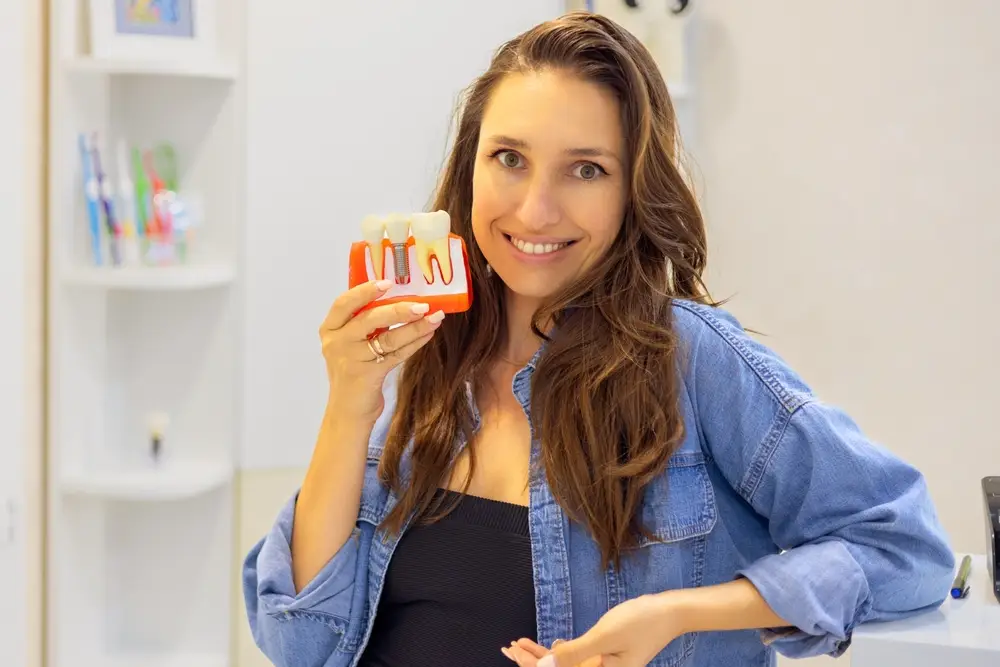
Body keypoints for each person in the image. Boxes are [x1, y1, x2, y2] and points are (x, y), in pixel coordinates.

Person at [242, 11, 955, 667]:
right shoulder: (430, 358)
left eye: (586, 169)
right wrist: (349, 402)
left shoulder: (692, 360)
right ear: (470, 167)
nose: (535, 208)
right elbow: (300, 642)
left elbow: (904, 545)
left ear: (631, 190)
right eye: (509, 159)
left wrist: (677, 613)